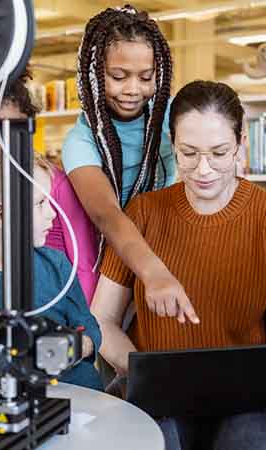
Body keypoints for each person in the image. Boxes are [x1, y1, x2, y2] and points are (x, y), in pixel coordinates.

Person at [90, 80, 266, 450]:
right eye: (188, 153)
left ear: (240, 145)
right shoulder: (144, 213)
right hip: (159, 395)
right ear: (172, 145)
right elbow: (101, 319)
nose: (203, 169)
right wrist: (142, 371)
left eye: (218, 153)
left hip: (249, 399)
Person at [63, 5, 199, 324]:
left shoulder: (168, 119)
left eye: (146, 77)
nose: (133, 90)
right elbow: (106, 213)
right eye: (118, 76)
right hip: (111, 263)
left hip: (170, 244)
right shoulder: (80, 142)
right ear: (93, 75)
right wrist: (153, 271)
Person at [0, 145, 102, 391]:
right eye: (40, 203)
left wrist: (75, 347)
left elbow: (90, 327)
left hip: (83, 398)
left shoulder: (55, 264)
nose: (52, 214)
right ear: (0, 214)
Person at [0, 70, 100, 302]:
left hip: (49, 298)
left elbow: (83, 260)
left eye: (13, 135)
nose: (3, 149)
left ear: (29, 126)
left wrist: (81, 316)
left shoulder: (56, 182)